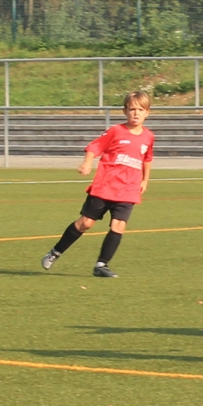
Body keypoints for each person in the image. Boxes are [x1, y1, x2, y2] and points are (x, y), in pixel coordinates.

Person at [40, 92, 155, 278]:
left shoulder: (148, 136)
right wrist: (87, 163)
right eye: (132, 109)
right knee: (86, 223)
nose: (136, 113)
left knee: (119, 225)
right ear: (124, 111)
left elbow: (147, 158)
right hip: (105, 186)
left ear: (147, 112)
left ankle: (102, 265)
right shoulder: (116, 131)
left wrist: (145, 180)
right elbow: (94, 147)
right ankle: (55, 252)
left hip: (128, 189)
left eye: (140, 110)